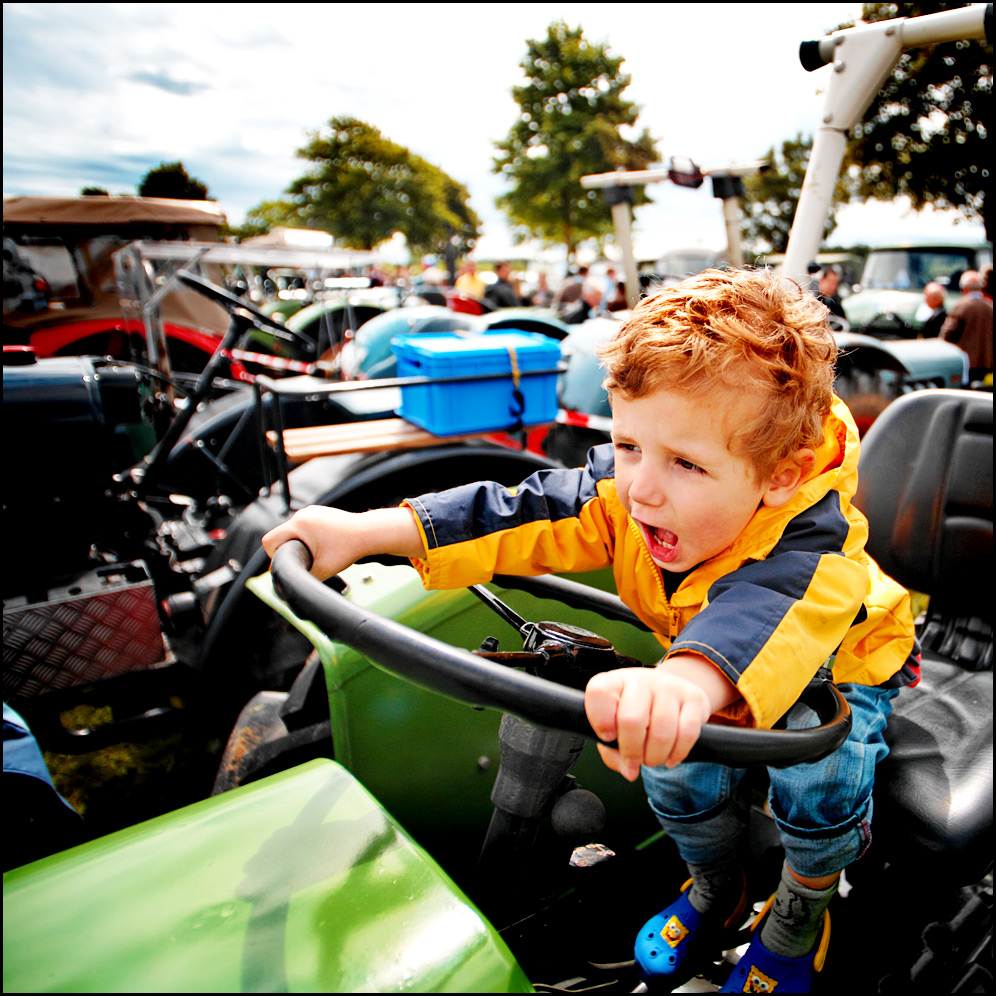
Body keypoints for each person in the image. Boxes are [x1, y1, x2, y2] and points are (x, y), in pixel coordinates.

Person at [262, 269, 917, 993]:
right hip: (701, 667)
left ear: (784, 476)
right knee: (675, 769)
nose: (639, 487)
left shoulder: (813, 552)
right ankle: (715, 885)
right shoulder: (633, 495)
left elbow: (760, 615)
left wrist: (680, 685)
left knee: (820, 777)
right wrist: (370, 529)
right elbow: (521, 511)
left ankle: (802, 907)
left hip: (841, 666)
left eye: (685, 463)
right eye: (629, 445)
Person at [940, 270, 993, 383]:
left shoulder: (961, 306)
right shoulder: (990, 307)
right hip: (986, 362)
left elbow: (948, 333)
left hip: (964, 363)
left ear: (964, 289)